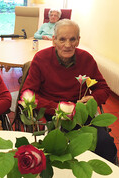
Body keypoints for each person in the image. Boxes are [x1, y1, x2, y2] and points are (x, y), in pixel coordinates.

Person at [22, 19, 117, 163]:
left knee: (105, 144)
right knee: (58, 152)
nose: (67, 45)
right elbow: (27, 95)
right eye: (62, 39)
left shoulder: (86, 59)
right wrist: (57, 109)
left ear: (78, 40)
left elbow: (103, 89)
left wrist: (93, 99)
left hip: (81, 113)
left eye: (72, 39)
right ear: (54, 40)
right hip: (52, 114)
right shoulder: (41, 59)